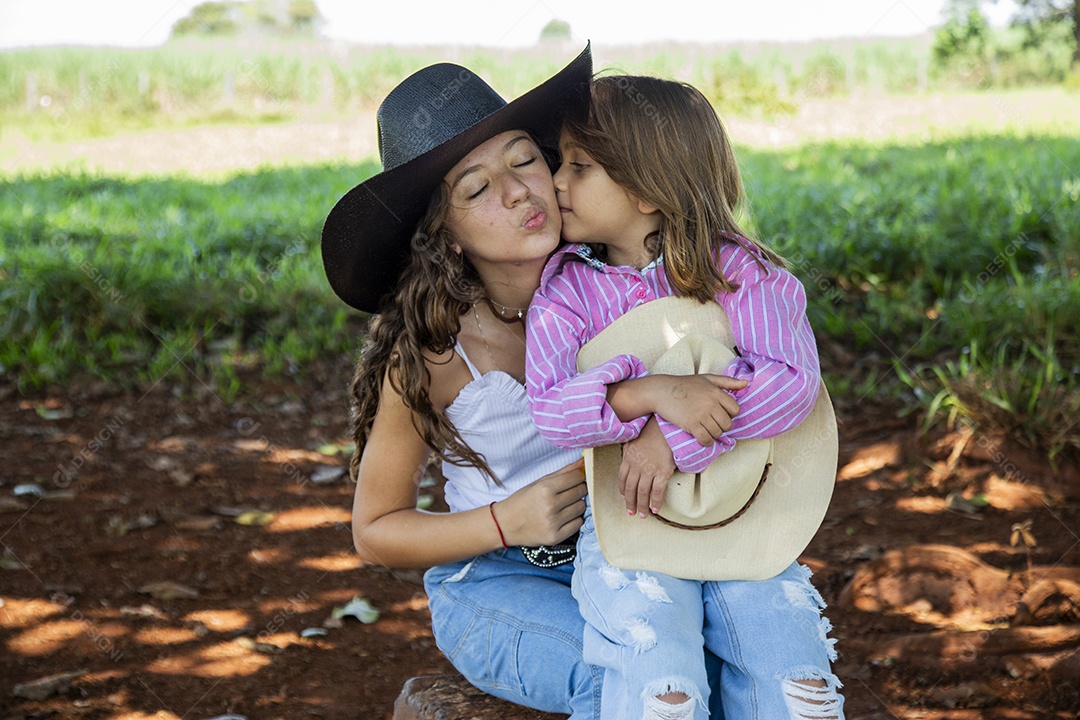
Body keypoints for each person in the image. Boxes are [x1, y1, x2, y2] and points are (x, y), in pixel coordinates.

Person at [525, 75, 845, 719]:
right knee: (661, 679)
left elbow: (791, 382)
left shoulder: (740, 274)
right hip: (630, 524)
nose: (556, 182)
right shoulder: (567, 293)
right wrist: (653, 392)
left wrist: (668, 438)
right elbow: (553, 410)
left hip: (745, 512)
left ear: (646, 188)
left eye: (579, 166)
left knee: (793, 674)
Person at [319, 46, 602, 718]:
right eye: (475, 189)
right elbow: (377, 530)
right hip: (492, 580)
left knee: (694, 662)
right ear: (443, 234)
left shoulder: (612, 286)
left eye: (523, 159)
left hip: (622, 555)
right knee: (616, 672)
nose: (516, 193)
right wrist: (509, 520)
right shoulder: (435, 355)